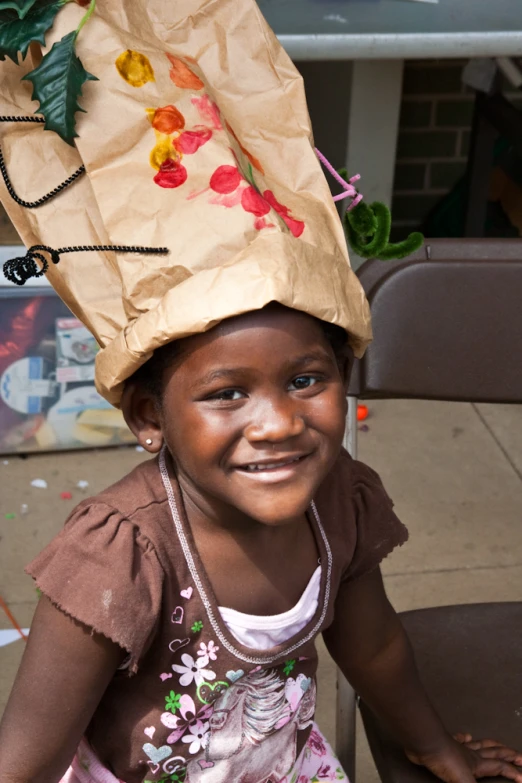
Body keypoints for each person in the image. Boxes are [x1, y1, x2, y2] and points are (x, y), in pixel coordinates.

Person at [0, 1, 521, 781]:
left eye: (307, 379)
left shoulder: (340, 499)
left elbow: (371, 642)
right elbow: (24, 761)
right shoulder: (120, 558)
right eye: (226, 393)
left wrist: (435, 749)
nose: (278, 422)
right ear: (150, 416)